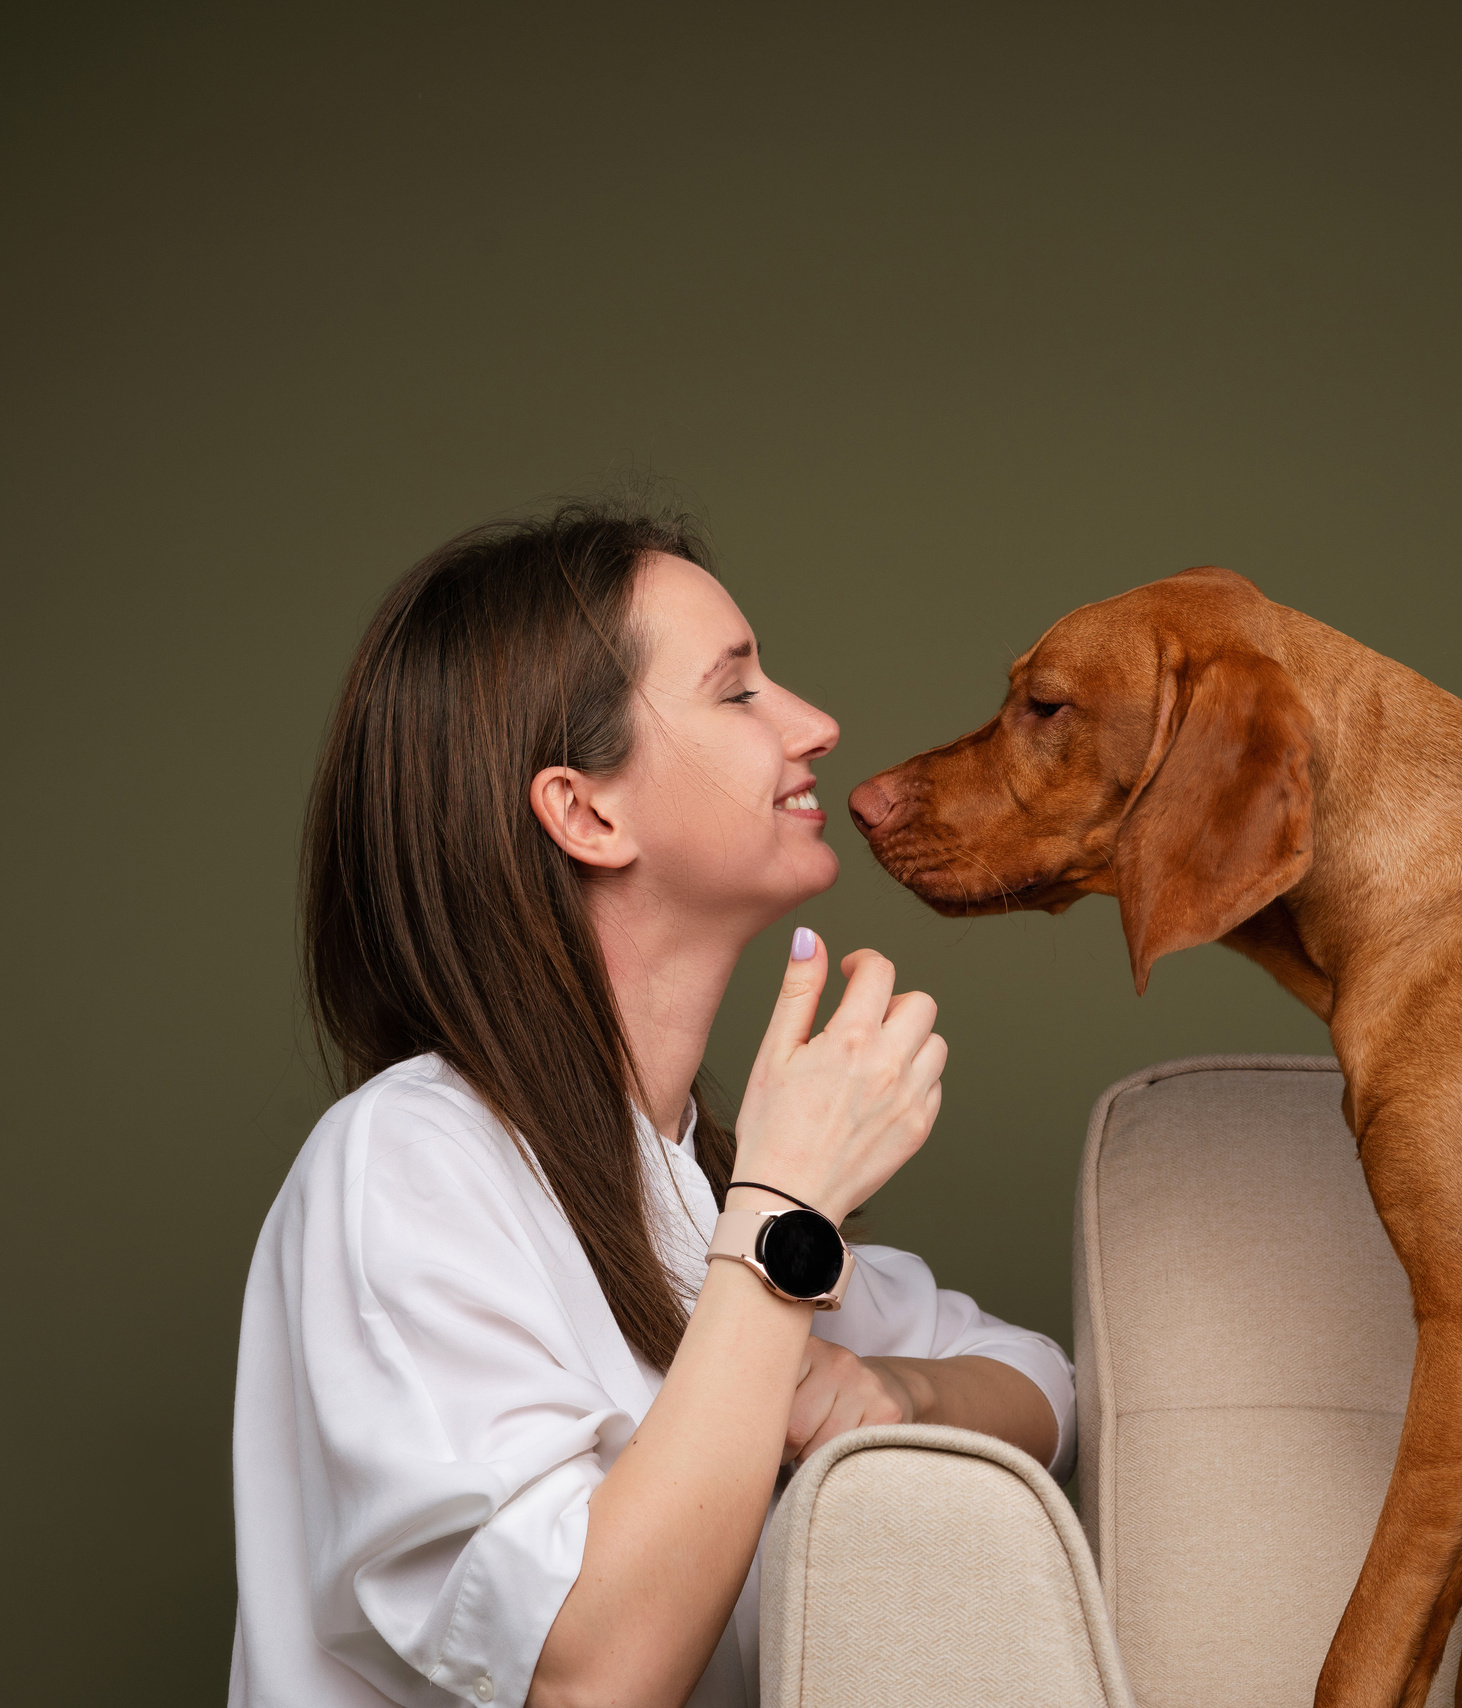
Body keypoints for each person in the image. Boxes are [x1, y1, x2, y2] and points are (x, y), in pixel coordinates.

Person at [229, 505, 1072, 1708]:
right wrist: (786, 1210)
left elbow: (1044, 1385)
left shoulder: (687, 1182)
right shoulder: (408, 1160)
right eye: (737, 693)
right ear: (585, 812)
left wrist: (894, 1394)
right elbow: (591, 1676)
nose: (816, 725)